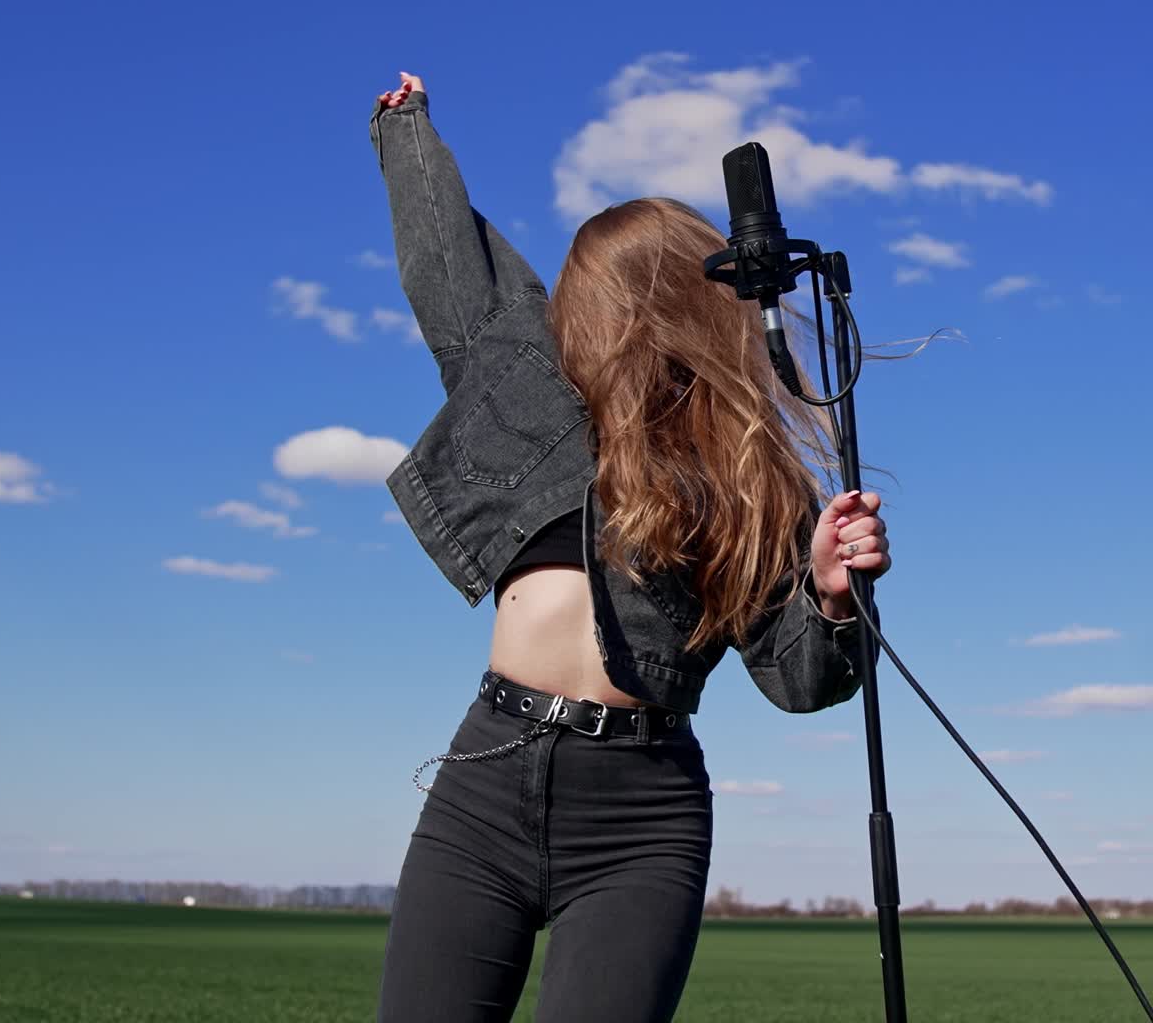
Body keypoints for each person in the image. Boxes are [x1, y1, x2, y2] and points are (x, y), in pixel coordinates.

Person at [368, 71, 890, 1023]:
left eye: (590, 295)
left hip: (641, 818)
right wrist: (406, 133)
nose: (569, 311)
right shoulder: (524, 379)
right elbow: (448, 266)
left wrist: (829, 593)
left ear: (649, 311)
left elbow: (800, 681)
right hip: (483, 782)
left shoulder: (746, 474)